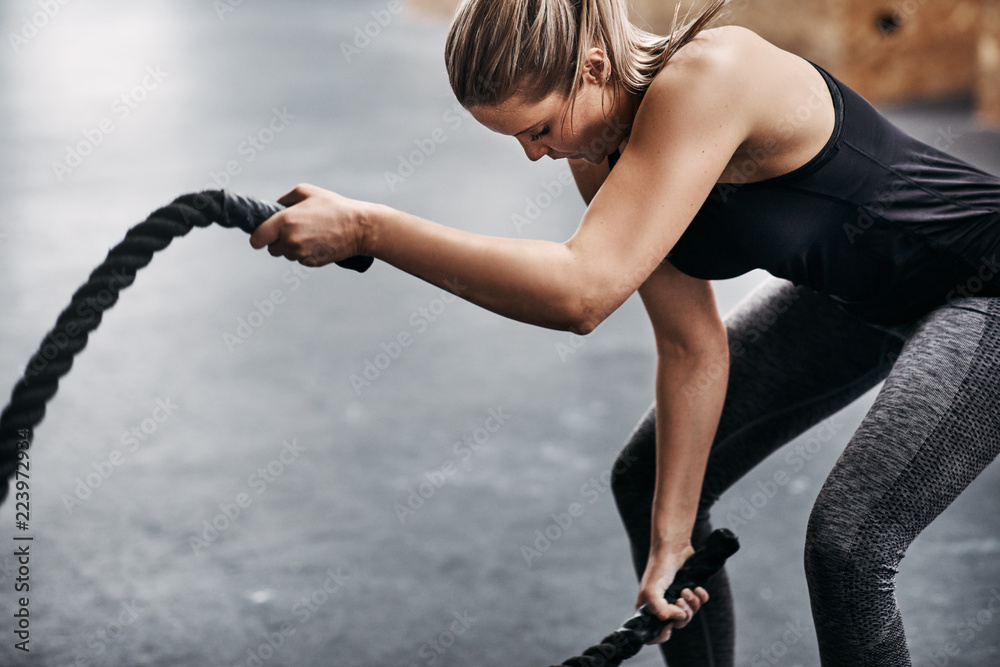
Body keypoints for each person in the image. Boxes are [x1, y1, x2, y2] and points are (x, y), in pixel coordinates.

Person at [249, 0, 1000, 664]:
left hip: (986, 282)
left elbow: (583, 292)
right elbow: (690, 344)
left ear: (595, 64)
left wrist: (369, 227)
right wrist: (673, 536)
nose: (535, 153)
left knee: (848, 546)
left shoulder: (717, 73)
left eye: (538, 128)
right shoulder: (596, 152)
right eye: (515, 140)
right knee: (648, 482)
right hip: (860, 295)